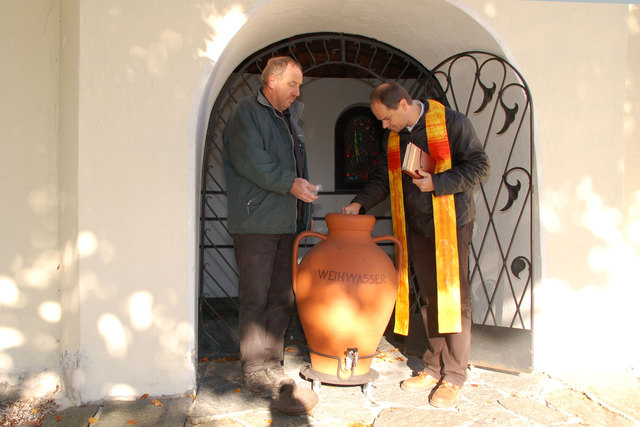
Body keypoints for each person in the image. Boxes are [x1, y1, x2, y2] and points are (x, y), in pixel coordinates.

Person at [342, 82, 489, 408]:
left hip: (451, 222)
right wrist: (359, 203)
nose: (383, 125)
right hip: (416, 226)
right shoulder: (395, 136)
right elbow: (384, 176)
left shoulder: (452, 123)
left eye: (386, 118)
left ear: (405, 104)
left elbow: (480, 165)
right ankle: (433, 366)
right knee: (427, 296)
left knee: (454, 297)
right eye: (380, 120)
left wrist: (438, 182)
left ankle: (454, 375)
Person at [223, 56, 319, 414]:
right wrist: (290, 183)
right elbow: (251, 160)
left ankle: (273, 363)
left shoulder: (289, 119)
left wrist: (301, 194)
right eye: (293, 84)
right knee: (256, 298)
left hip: (286, 221)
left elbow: (293, 166)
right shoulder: (246, 113)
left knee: (281, 296)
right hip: (255, 223)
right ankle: (253, 369)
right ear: (273, 81)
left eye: (299, 86)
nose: (297, 92)